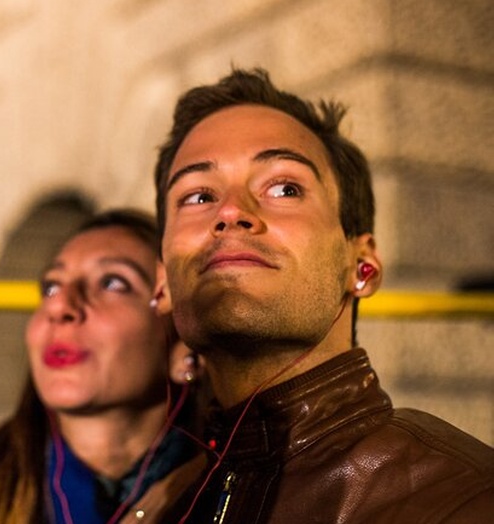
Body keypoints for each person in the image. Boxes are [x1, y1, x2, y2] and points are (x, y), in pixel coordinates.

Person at [149, 67, 494, 523]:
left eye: (284, 187)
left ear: (361, 265)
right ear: (162, 282)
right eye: (196, 196)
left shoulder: (461, 500)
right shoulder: (168, 504)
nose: (231, 211)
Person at [0, 209, 210, 524]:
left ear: (183, 348)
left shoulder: (233, 497)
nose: (59, 305)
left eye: (113, 283)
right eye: (51, 287)